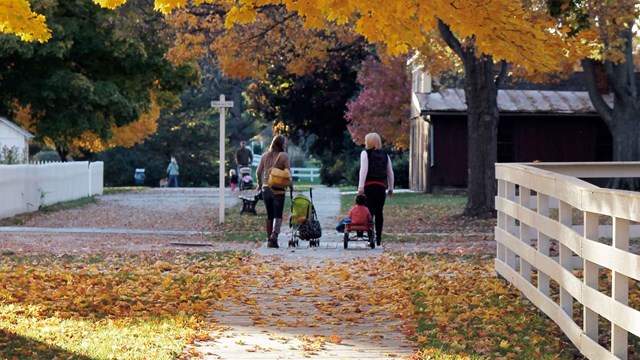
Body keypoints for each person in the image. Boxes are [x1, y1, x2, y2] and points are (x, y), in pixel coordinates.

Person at [256, 135, 293, 248]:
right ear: (280, 144)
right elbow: (288, 174)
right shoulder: (284, 156)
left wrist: (260, 184)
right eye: (284, 143)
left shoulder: (264, 156)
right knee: (278, 215)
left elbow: (258, 172)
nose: (285, 145)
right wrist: (291, 187)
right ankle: (274, 235)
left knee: (269, 215)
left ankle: (269, 241)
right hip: (279, 190)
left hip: (266, 189)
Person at [357, 132, 394, 246]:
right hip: (381, 187)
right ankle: (378, 238)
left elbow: (364, 170)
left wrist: (361, 186)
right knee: (379, 212)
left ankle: (370, 238)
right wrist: (391, 188)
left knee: (369, 212)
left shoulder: (365, 154)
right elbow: (390, 172)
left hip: (369, 186)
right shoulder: (385, 155)